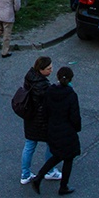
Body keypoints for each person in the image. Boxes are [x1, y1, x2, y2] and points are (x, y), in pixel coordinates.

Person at [30, 66, 81, 195]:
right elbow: (75, 117)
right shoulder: (71, 95)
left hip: (53, 129)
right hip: (67, 131)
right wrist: (76, 128)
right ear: (70, 79)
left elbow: (45, 111)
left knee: (57, 155)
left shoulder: (50, 92)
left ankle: (39, 177)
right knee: (68, 158)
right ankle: (63, 186)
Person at [20, 56, 61, 185]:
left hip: (30, 119)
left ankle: (25, 174)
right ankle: (50, 171)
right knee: (51, 144)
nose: (51, 70)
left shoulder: (30, 76)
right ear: (41, 69)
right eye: (49, 68)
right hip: (42, 121)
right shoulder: (43, 86)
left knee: (29, 145)